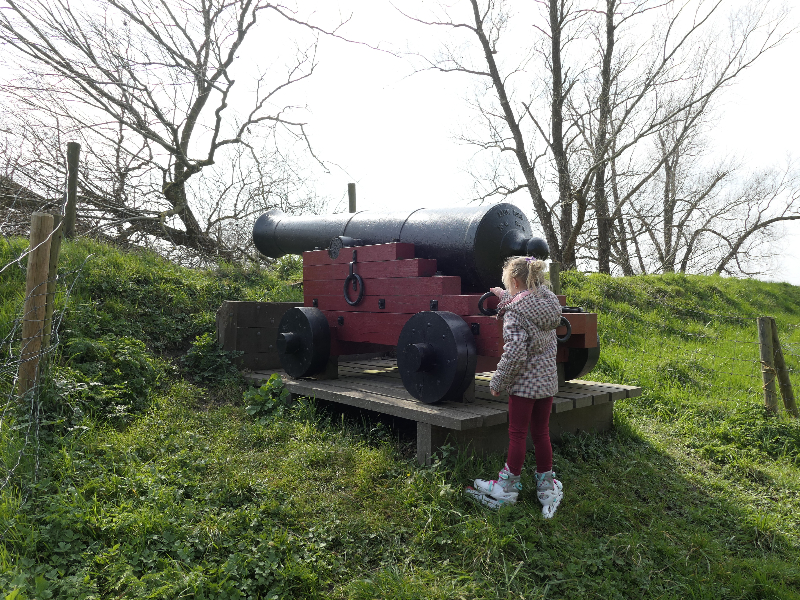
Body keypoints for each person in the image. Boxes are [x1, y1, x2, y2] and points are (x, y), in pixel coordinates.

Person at [465, 256, 564, 517]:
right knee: (541, 432)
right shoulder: (548, 303)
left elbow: (515, 354)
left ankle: (507, 488)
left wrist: (498, 381)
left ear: (516, 282)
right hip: (546, 382)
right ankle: (545, 487)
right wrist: (504, 296)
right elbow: (522, 300)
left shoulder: (515, 314)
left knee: (518, 434)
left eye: (509, 285)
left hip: (523, 386)